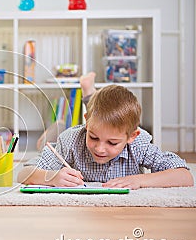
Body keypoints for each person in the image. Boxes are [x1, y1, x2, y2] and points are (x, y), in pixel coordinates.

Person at [18, 73, 194, 189]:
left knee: (99, 114)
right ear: (86, 123)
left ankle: (89, 92)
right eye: (93, 138)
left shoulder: (139, 144)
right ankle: (57, 127)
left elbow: (185, 176)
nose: (100, 149)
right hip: (67, 133)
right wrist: (52, 177)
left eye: (112, 142)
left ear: (132, 136)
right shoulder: (72, 139)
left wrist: (139, 181)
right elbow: (23, 174)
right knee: (50, 143)